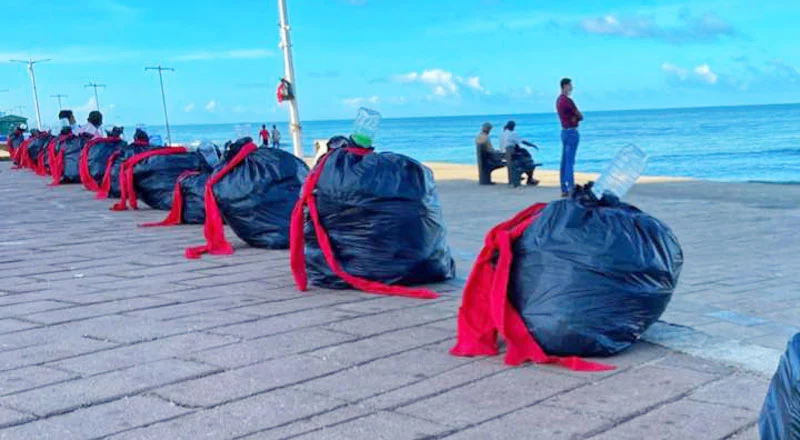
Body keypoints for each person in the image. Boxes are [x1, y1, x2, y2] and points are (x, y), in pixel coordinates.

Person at [556, 78, 583, 197]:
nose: (571, 87)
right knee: (569, 161)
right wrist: (577, 117)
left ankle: (564, 187)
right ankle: (570, 187)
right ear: (565, 86)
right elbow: (579, 115)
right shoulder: (567, 101)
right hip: (571, 131)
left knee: (565, 161)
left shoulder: (559, 100)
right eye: (570, 85)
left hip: (564, 131)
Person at [499, 121, 538, 187]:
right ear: (512, 127)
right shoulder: (512, 133)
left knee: (523, 156)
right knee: (529, 162)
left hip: (504, 155)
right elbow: (521, 141)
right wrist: (532, 145)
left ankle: (523, 177)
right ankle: (529, 179)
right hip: (511, 155)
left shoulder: (503, 133)